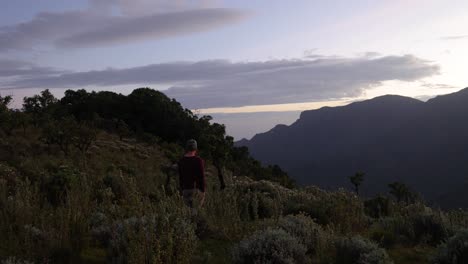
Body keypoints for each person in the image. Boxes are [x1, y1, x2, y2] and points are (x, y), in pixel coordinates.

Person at [178, 139, 206, 209]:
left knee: (187, 212)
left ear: (187, 148)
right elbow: (201, 177)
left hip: (185, 190)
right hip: (196, 190)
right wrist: (203, 191)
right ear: (195, 149)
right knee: (195, 212)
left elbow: (181, 177)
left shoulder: (181, 161)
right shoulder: (198, 161)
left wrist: (181, 190)